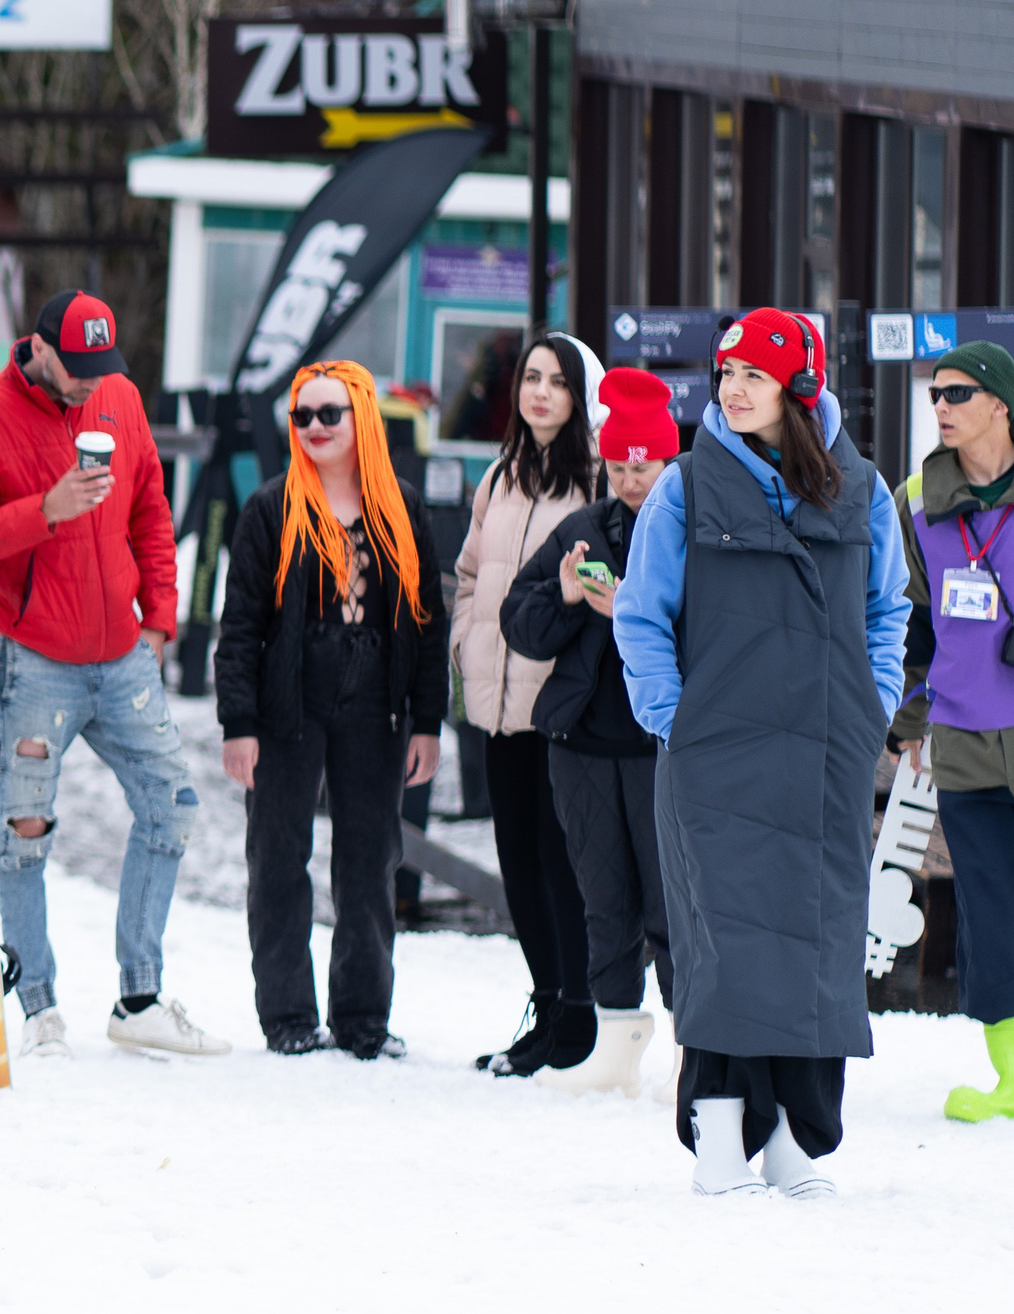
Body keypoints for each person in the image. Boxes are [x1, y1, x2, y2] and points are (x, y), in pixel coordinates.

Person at [617, 307, 908, 1198]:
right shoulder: (686, 487)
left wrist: (873, 704)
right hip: (717, 754)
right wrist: (676, 718)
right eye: (726, 373)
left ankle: (792, 1136)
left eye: (753, 373)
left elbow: (888, 612)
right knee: (724, 941)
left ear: (798, 385)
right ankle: (717, 1126)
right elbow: (641, 615)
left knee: (815, 943)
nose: (733, 389)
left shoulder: (863, 490)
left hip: (824, 753)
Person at [0, 290, 218, 1058]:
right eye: (77, 366)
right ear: (39, 346)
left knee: (173, 805)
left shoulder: (117, 396)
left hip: (122, 653)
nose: (91, 381)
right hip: (28, 660)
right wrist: (43, 509)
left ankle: (140, 998)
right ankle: (38, 1009)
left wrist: (160, 615)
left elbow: (152, 505)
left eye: (102, 366)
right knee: (26, 832)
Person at [218, 361, 447, 1059]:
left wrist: (428, 722)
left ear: (362, 418)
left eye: (329, 414)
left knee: (371, 860)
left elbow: (427, 619)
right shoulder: (269, 508)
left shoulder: (400, 508)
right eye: (302, 416)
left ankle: (362, 1017)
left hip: (377, 703)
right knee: (279, 858)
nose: (314, 427)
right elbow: (240, 629)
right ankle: (287, 1015)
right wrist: (239, 726)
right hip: (290, 700)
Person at [888, 342, 1014, 1124]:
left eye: (959, 393)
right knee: (992, 913)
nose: (942, 406)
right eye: (937, 393)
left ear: (1002, 403)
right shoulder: (916, 495)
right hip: (963, 734)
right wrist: (911, 721)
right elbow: (917, 623)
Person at [501, 366, 679, 1096]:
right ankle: (614, 1040)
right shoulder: (581, 531)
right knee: (601, 897)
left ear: (669, 461)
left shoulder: (691, 532)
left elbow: (714, 635)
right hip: (580, 745)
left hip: (661, 750)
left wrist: (627, 616)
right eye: (620, 464)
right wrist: (571, 595)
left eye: (645, 464)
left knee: (672, 902)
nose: (632, 479)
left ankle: (690, 1044)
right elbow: (520, 622)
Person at [452, 333, 604, 1078]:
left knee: (560, 862)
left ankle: (579, 1014)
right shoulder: (500, 476)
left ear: (581, 396)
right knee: (516, 860)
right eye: (531, 378)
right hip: (495, 702)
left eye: (557, 381)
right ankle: (546, 1005)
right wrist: (464, 646)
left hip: (559, 707)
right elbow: (469, 572)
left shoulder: (597, 480)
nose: (540, 392)